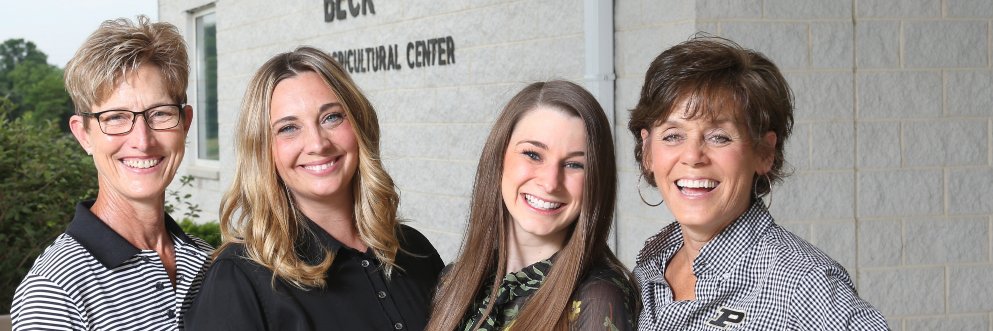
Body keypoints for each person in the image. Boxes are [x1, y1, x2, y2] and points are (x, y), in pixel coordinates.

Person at [628, 35, 888, 330]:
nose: (692, 156)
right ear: (648, 151)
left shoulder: (802, 283)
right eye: (673, 135)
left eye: (719, 137)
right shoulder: (646, 274)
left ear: (764, 152)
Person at [183, 46, 444, 330]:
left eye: (331, 117)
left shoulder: (415, 251)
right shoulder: (238, 279)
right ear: (263, 151)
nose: (318, 144)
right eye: (288, 128)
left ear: (358, 124)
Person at [10, 16, 212, 330]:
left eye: (159, 113)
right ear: (83, 135)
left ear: (185, 123)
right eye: (115, 117)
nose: (142, 141)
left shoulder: (211, 262)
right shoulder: (56, 290)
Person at [427, 80, 639, 331]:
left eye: (575, 164)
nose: (550, 183)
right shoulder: (454, 281)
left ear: (596, 181)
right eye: (533, 155)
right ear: (498, 158)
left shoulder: (599, 298)